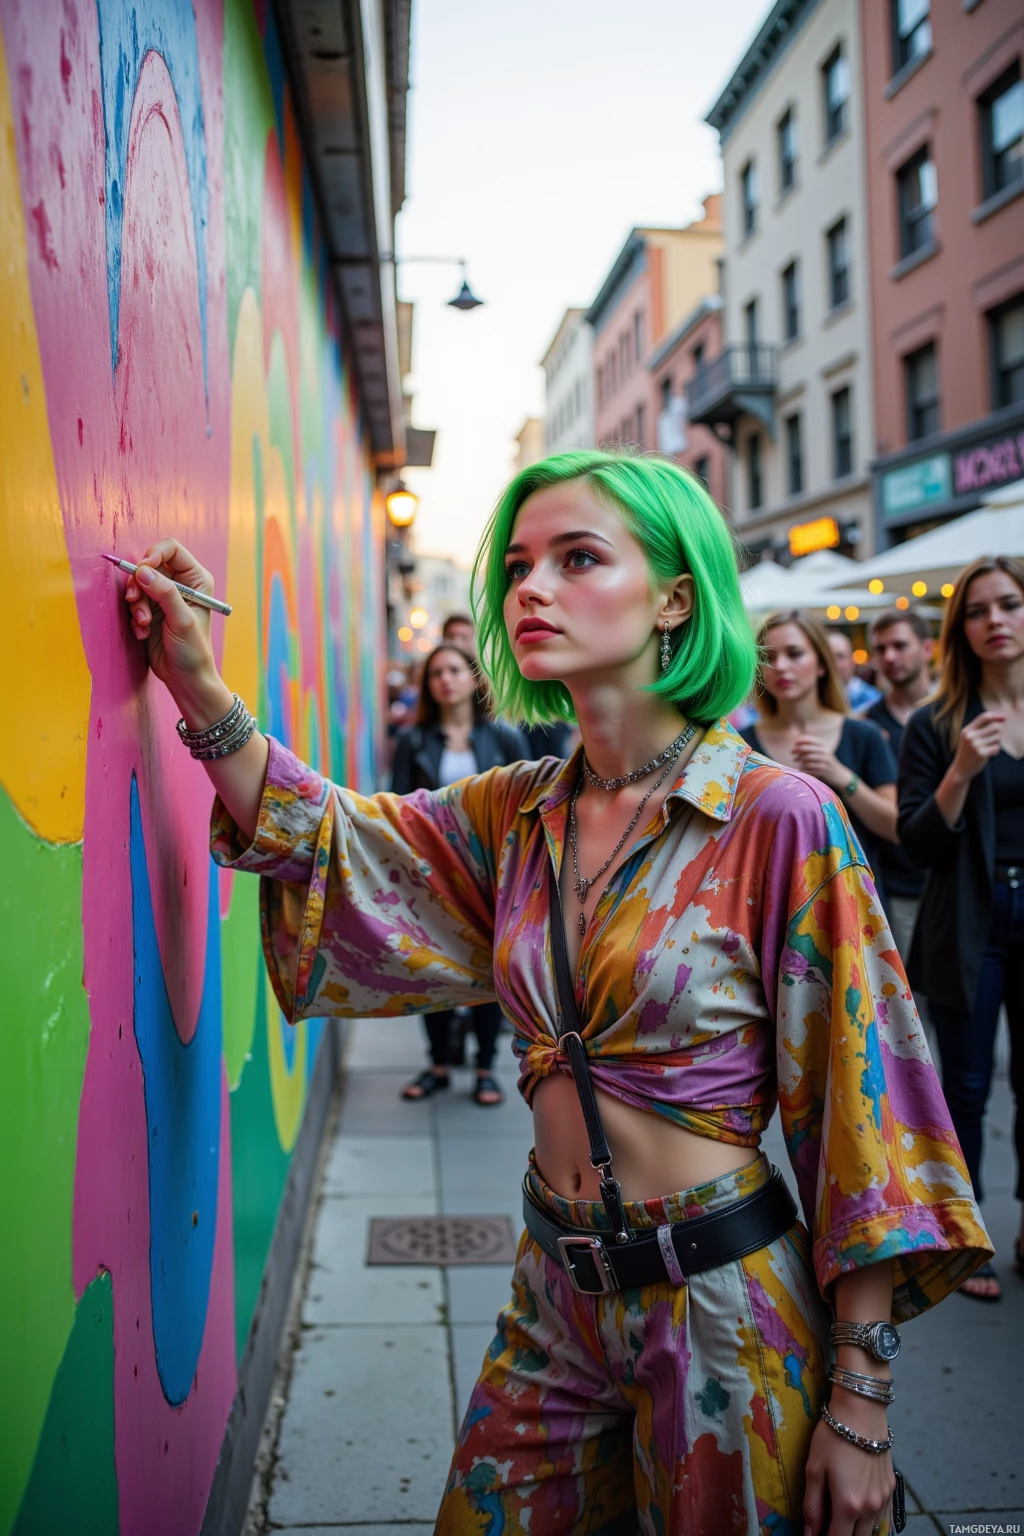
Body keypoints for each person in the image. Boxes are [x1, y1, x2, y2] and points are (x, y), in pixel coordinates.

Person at [121, 450, 989, 1535]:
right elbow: (331, 836)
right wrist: (196, 681)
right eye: (519, 565)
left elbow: (866, 1110)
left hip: (723, 1307)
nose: (530, 588)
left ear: (674, 598)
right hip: (553, 1292)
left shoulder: (777, 816)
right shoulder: (517, 811)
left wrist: (859, 1401)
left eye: (577, 557)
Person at [899, 555, 1024, 1304]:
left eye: (1008, 604)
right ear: (960, 630)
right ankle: (966, 1237)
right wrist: (962, 769)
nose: (995, 621)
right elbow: (917, 841)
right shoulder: (938, 723)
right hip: (969, 923)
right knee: (967, 1087)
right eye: (977, 611)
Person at [391, 642, 529, 1106]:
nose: (445, 679)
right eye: (436, 673)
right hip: (433, 875)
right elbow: (399, 808)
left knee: (488, 970)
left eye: (454, 670)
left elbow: (526, 804)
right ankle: (438, 1064)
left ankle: (486, 1067)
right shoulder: (413, 740)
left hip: (493, 874)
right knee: (432, 967)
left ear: (473, 678)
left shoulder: (504, 738)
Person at [741, 611, 900, 908]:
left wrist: (841, 776)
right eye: (769, 657)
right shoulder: (742, 744)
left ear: (821, 664)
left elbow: (893, 826)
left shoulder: (863, 735)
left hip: (853, 900)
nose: (781, 666)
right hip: (769, 903)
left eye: (794, 654)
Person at [866, 609, 934, 965]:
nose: (889, 657)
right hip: (895, 885)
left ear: (927, 648)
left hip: (955, 881)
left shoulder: (956, 714)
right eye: (881, 649)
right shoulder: (865, 725)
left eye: (900, 645)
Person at [828, 628, 882, 714]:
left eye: (840, 656)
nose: (834, 664)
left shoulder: (873, 701)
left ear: (852, 661)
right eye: (828, 657)